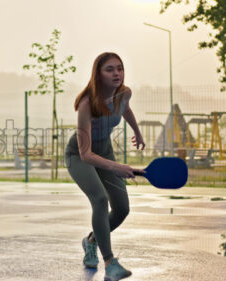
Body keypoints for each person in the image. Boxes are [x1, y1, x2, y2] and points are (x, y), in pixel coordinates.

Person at [64, 52, 145, 281]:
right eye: (110, 69)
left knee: (122, 209)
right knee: (100, 199)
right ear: (98, 74)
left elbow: (125, 109)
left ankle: (91, 241)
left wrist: (137, 132)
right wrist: (117, 167)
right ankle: (110, 262)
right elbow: (85, 153)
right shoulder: (86, 104)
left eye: (119, 68)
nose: (117, 73)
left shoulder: (124, 93)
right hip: (79, 155)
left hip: (105, 151)